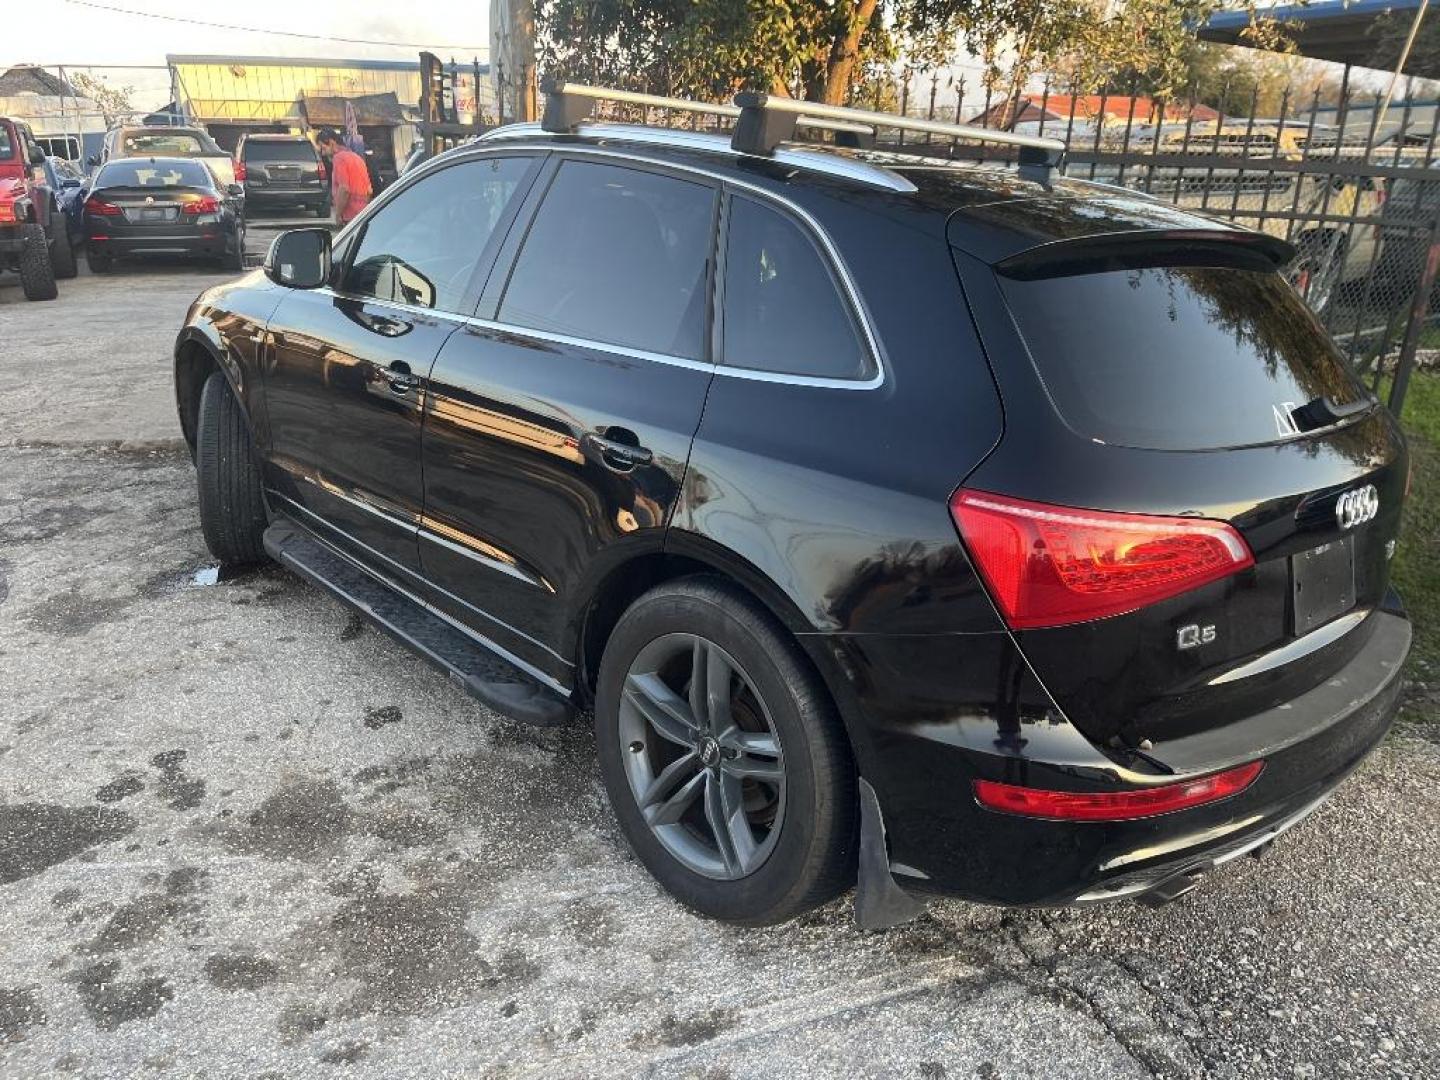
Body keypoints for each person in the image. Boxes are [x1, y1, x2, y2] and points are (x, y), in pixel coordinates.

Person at [315, 127, 372, 225]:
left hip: (350, 215)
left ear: (332, 143)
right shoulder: (356, 157)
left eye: (323, 148)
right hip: (363, 213)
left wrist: (338, 215)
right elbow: (369, 190)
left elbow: (344, 189)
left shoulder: (339, 159)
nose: (323, 153)